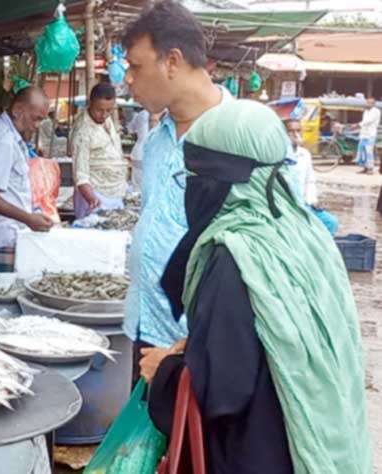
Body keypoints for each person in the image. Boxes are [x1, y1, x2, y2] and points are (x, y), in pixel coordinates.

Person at [143, 99, 370, 474]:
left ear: (222, 181)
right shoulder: (307, 233)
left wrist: (164, 370)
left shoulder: (235, 255)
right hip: (317, 436)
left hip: (259, 452)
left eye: (195, 178)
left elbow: (223, 391)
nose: (191, 191)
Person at [120, 0, 231, 376]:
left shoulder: (239, 143)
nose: (128, 79)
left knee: (190, 436)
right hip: (145, 328)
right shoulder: (157, 141)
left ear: (172, 61)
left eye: (135, 66)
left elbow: (264, 272)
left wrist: (184, 352)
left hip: (202, 351)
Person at [0, 86, 54, 277]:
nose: (37, 125)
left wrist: (33, 213)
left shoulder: (9, 136)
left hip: (4, 237)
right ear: (18, 111)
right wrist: (28, 218)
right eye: (36, 118)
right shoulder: (4, 140)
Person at [70, 82, 127, 218]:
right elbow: (80, 175)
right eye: (99, 110)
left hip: (115, 193)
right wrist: (92, 200)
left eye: (109, 110)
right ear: (90, 103)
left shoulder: (107, 120)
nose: (104, 114)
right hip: (96, 196)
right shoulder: (83, 132)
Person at [284, 118, 339, 235]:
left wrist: (313, 200)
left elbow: (310, 180)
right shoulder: (279, 155)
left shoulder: (304, 154)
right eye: (291, 131)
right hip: (287, 205)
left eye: (298, 130)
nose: (295, 134)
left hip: (305, 204)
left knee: (331, 222)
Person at [128, 108, 152, 191]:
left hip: (139, 152)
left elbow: (130, 130)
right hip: (146, 152)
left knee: (137, 186)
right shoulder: (165, 113)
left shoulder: (141, 114)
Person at [356, 96, 380, 174]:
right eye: (367, 102)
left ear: (373, 104)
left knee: (369, 152)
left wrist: (358, 124)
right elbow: (364, 121)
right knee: (362, 151)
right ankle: (365, 168)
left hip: (370, 134)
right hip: (363, 134)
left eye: (370, 103)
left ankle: (370, 169)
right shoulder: (366, 111)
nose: (368, 104)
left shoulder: (376, 111)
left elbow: (368, 121)